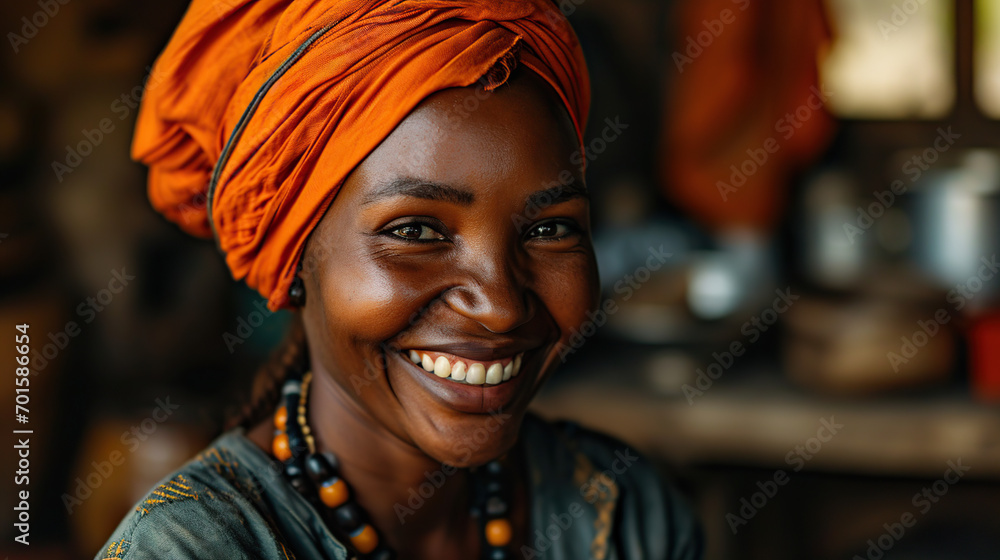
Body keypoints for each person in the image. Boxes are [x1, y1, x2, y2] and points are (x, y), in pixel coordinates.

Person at [96, 1, 703, 558]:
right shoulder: (190, 550)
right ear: (295, 257)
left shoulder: (627, 516)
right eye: (414, 232)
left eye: (549, 230)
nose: (500, 306)